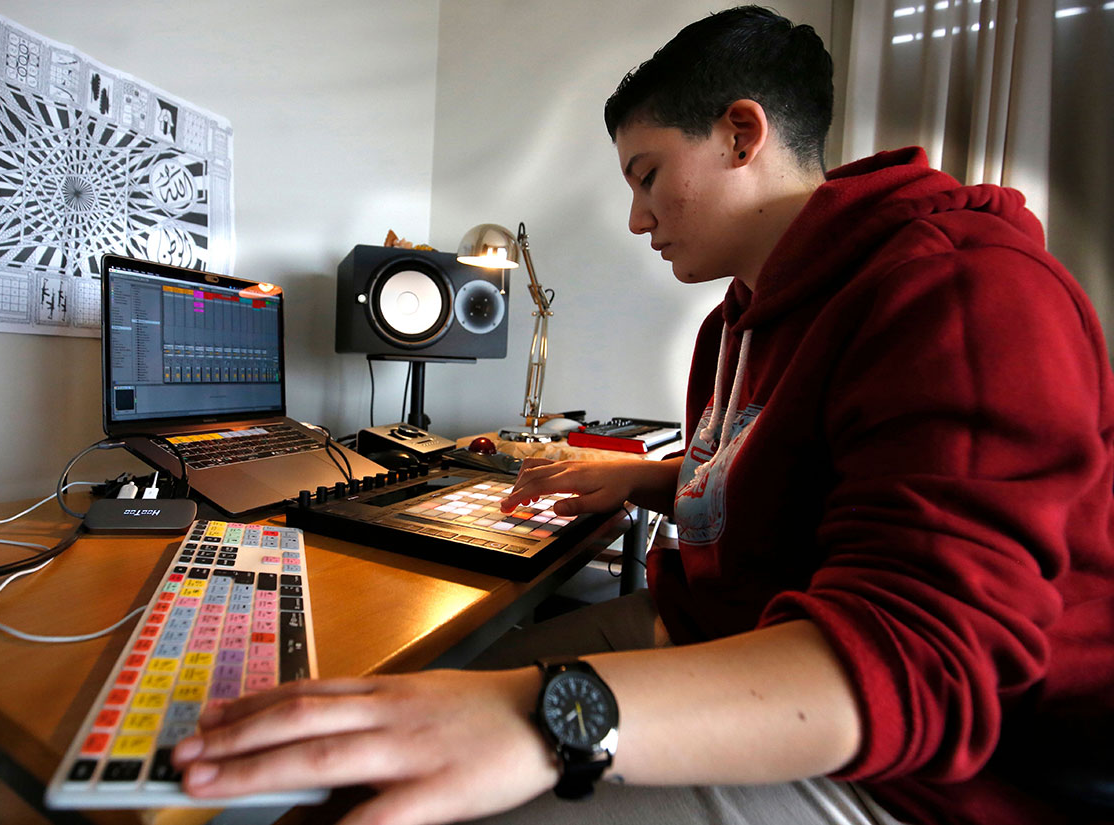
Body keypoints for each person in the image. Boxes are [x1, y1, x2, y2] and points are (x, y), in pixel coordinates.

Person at [171, 7, 1114, 825]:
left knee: (427, 777)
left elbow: (922, 661)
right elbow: (793, 481)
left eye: (648, 174)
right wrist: (645, 478)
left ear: (742, 134)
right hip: (711, 634)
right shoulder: (732, 323)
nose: (635, 218)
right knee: (400, 718)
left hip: (909, 772)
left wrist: (543, 719)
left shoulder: (959, 289)